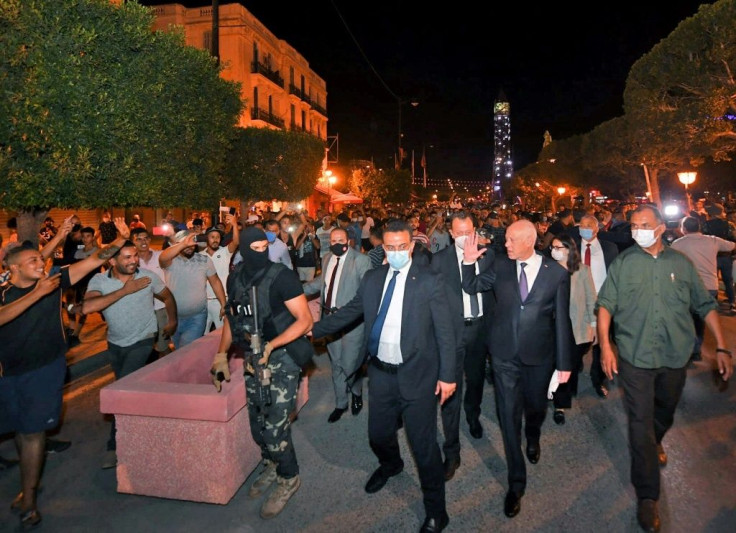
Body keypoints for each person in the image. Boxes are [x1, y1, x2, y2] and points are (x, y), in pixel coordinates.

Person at [311, 218, 456, 533]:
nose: (396, 253)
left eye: (402, 247)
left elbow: (446, 332)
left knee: (424, 446)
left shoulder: (430, 279)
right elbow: (350, 311)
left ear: (412, 245)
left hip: (418, 375)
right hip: (380, 373)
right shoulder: (374, 278)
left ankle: (437, 511)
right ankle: (391, 464)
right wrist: (311, 329)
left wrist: (448, 375)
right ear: (383, 248)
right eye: (390, 248)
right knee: (378, 434)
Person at [597, 204, 733, 533]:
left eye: (644, 224)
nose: (637, 230)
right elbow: (605, 305)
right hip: (635, 357)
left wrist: (722, 346)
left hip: (674, 356)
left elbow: (704, 304)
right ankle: (648, 496)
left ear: (660, 228)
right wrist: (605, 345)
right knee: (639, 424)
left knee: (665, 411)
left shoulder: (680, 264)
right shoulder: (625, 264)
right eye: (633, 225)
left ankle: (657, 437)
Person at [0, 217, 130, 530]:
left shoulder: (54, 280)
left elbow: (95, 260)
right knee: (21, 428)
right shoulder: (5, 292)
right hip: (10, 373)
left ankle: (29, 498)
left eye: (41, 259)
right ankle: (27, 485)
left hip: (44, 369)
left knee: (33, 432)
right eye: (33, 260)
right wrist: (37, 293)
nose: (41, 262)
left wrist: (118, 241)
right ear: (13, 269)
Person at [461, 219, 573, 518]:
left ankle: (533, 434)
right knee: (508, 416)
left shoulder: (557, 274)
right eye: (506, 239)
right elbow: (471, 285)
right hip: (503, 356)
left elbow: (562, 320)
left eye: (511, 239)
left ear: (529, 241)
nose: (505, 243)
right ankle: (516, 482)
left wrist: (564, 364)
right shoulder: (499, 265)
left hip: (540, 357)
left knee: (535, 408)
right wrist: (469, 262)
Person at [210, 226, 313, 519]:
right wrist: (220, 354)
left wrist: (271, 346)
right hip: (253, 358)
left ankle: (288, 477)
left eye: (263, 248)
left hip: (281, 358)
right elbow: (232, 318)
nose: (260, 253)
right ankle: (271, 463)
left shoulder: (282, 276)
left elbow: (304, 321)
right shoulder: (236, 278)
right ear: (242, 250)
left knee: (275, 426)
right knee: (257, 422)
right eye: (253, 249)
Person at [83, 240, 177, 469]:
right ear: (112, 261)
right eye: (127, 257)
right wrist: (124, 291)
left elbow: (167, 296)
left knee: (120, 391)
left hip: (143, 340)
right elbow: (89, 307)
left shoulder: (146, 277)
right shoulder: (99, 280)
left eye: (135, 255)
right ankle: (151, 425)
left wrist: (172, 319)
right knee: (130, 388)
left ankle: (115, 445)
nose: (134, 260)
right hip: (115, 343)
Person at [430, 211, 494, 482]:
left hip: (480, 330)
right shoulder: (439, 261)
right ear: (451, 233)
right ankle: (452, 450)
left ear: (475, 230)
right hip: (452, 335)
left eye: (469, 231)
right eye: (460, 232)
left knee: (477, 380)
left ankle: (474, 415)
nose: (465, 236)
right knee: (450, 390)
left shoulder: (488, 255)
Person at [303, 227, 371, 423]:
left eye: (340, 239)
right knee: (336, 363)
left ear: (349, 240)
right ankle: (341, 403)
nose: (337, 243)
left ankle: (356, 391)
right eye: (333, 240)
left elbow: (365, 292)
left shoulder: (360, 260)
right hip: (329, 320)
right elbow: (319, 283)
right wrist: (296, 291)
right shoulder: (326, 259)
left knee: (350, 363)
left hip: (352, 321)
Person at [671, 216, 735, 361]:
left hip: (687, 289)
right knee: (701, 321)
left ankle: (690, 348)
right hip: (710, 288)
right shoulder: (713, 240)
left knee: (688, 319)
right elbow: (731, 246)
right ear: (699, 227)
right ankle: (696, 348)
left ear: (683, 228)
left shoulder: (677, 244)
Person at [549, 234, 596, 424]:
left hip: (576, 328)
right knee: (558, 365)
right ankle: (560, 405)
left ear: (569, 250)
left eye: (558, 247)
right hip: (553, 326)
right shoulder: (548, 270)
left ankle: (565, 389)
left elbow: (591, 299)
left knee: (571, 365)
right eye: (552, 247)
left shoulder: (582, 271)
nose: (554, 250)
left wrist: (593, 325)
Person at [574, 214, 619, 398]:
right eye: (581, 224)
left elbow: (615, 276)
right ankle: (572, 374)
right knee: (579, 343)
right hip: (578, 303)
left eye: (588, 225)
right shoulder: (572, 248)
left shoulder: (609, 248)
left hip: (602, 304)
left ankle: (598, 380)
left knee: (601, 344)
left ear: (597, 228)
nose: (584, 228)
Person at [159, 230, 226, 349]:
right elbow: (162, 257)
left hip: (197, 317)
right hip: (174, 317)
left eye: (192, 242)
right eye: (185, 243)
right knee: (179, 350)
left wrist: (223, 303)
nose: (190, 246)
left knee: (186, 349)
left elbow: (215, 281)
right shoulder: (170, 261)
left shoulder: (204, 260)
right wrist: (183, 244)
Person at [200, 217, 240, 332]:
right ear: (207, 239)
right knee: (202, 337)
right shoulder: (200, 255)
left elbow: (236, 242)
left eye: (217, 237)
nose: (215, 240)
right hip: (204, 302)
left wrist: (234, 224)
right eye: (212, 237)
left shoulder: (224, 252)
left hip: (221, 301)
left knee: (221, 334)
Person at [702, 203, 735, 311]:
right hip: (726, 256)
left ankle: (714, 303)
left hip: (712, 256)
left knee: (713, 279)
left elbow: (704, 239)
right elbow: (733, 239)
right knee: (728, 280)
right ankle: (732, 302)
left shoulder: (705, 225)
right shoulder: (729, 225)